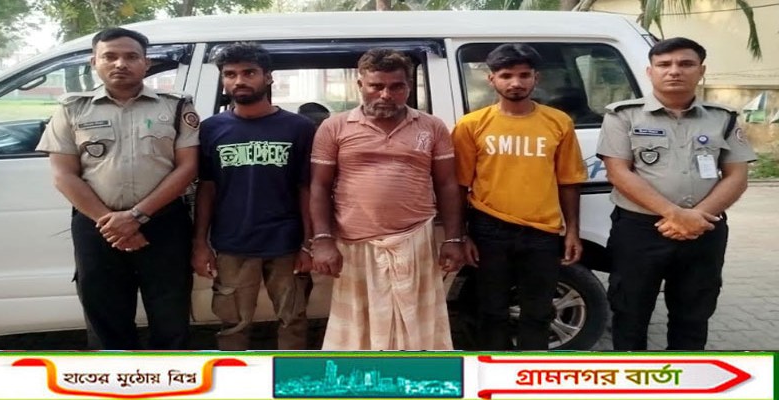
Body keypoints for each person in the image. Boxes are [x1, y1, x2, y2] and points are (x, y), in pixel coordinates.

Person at [36, 27, 199, 349]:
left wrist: (136, 217)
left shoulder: (176, 106)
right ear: (93, 62)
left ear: (146, 63)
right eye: (109, 56)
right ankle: (115, 377)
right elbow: (63, 174)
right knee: (105, 318)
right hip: (98, 227)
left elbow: (188, 167)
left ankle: (169, 377)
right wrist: (113, 223)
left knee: (170, 316)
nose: (120, 64)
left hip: (164, 224)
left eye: (131, 56)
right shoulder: (72, 109)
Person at [596, 37, 756, 350]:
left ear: (701, 71)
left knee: (694, 315)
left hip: (704, 229)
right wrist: (676, 215)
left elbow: (736, 176)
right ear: (650, 71)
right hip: (640, 231)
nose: (674, 71)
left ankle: (685, 375)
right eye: (664, 64)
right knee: (630, 312)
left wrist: (696, 217)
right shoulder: (624, 116)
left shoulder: (723, 118)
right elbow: (618, 172)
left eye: (685, 64)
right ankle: (632, 377)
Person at [309, 48, 464, 350]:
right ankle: (361, 378)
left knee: (417, 326)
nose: (386, 95)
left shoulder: (431, 127)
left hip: (415, 240)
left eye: (396, 86)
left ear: (409, 86)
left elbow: (447, 184)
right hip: (355, 244)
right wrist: (323, 240)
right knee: (358, 330)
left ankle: (415, 377)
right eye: (376, 86)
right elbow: (319, 186)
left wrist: (454, 239)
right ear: (360, 85)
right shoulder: (334, 127)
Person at [451, 43, 588, 350]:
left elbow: (569, 181)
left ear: (536, 78)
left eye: (524, 75)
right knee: (491, 311)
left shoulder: (558, 122)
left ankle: (530, 372)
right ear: (492, 79)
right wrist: (461, 235)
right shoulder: (471, 125)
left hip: (542, 231)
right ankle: (494, 372)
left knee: (538, 313)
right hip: (489, 229)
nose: (516, 82)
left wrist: (572, 232)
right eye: (506, 75)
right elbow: (459, 185)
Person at [192, 42, 315, 350]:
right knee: (232, 323)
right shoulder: (210, 129)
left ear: (268, 77)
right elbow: (207, 187)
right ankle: (235, 375)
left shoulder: (299, 127)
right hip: (233, 243)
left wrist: (308, 242)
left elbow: (306, 188)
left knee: (294, 320)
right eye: (230, 74)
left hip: (286, 242)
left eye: (249, 73)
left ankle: (291, 376)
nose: (239, 81)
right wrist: (200, 242)